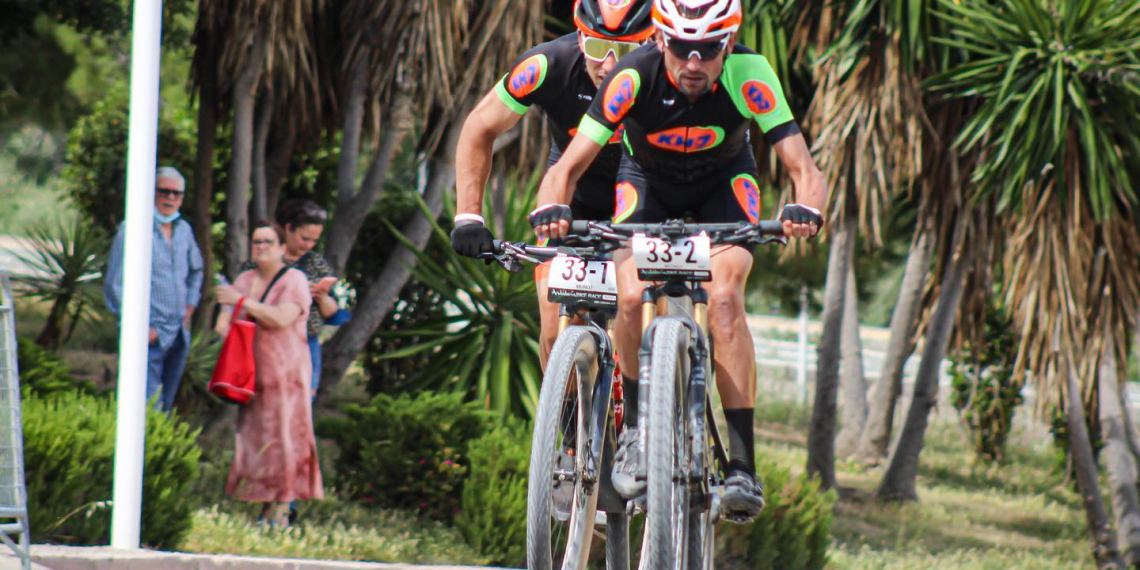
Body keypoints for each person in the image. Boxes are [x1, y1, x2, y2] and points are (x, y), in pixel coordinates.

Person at [529, 0, 828, 521]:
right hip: (646, 188)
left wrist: (807, 207)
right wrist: (553, 205)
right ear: (661, 39)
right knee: (627, 294)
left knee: (727, 299)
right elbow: (569, 163)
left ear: (728, 44)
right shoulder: (630, 76)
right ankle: (635, 435)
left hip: (723, 188)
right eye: (683, 48)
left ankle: (740, 466)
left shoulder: (751, 73)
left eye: (708, 49)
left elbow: (802, 166)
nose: (694, 62)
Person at [450, 0, 655, 368]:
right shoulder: (547, 65)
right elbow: (479, 128)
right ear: (579, 37)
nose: (609, 65)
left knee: (643, 311)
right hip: (570, 198)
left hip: (649, 196)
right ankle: (566, 419)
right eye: (596, 47)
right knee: (553, 330)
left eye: (626, 51)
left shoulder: (669, 69)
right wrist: (468, 217)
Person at [215, 222, 324, 527]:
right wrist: (231, 327)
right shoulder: (244, 278)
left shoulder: (295, 280)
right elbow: (223, 324)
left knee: (286, 438)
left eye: (267, 241)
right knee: (257, 438)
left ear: (280, 247)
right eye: (256, 241)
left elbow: (280, 318)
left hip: (287, 374)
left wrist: (241, 303)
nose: (261, 247)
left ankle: (283, 506)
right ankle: (265, 506)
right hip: (252, 375)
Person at [104, 166, 204, 412]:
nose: (170, 198)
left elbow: (197, 270)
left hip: (179, 332)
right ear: (152, 193)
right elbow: (115, 285)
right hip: (148, 333)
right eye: (164, 191)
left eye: (176, 193)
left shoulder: (184, 230)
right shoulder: (133, 228)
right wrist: (138, 326)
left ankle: (158, 449)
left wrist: (190, 308)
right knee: (146, 407)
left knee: (167, 405)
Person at [267, 200, 341, 400]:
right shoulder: (267, 258)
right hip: (272, 342)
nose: (308, 246)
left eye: (314, 241)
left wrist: (321, 296)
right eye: (304, 238)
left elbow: (331, 311)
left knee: (302, 404)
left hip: (307, 343)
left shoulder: (315, 263)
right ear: (289, 228)